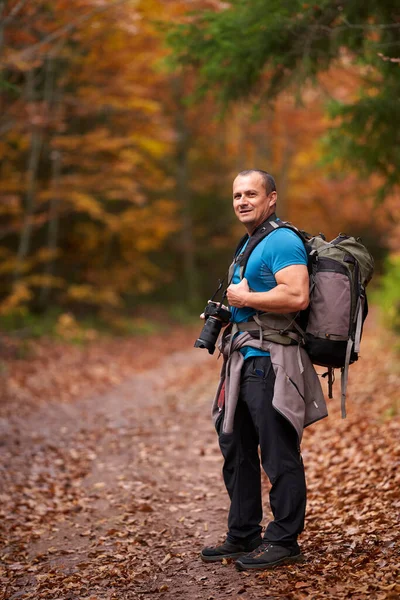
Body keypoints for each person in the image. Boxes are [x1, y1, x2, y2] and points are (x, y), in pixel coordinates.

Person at [200, 169, 327, 571]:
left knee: (277, 452)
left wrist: (248, 296)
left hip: (272, 360)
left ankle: (285, 540)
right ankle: (243, 533)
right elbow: (249, 299)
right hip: (242, 360)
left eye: (251, 193)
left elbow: (298, 294)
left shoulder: (283, 240)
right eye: (237, 194)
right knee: (235, 448)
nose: (242, 201)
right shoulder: (249, 243)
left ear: (271, 198)